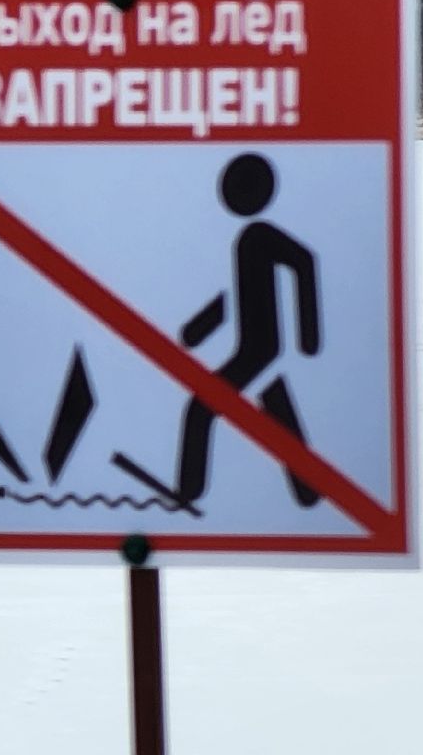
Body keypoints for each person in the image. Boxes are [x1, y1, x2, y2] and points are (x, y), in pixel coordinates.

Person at [113, 153, 321, 512]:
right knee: (278, 412)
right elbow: (238, 296)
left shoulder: (260, 236)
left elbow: (304, 263)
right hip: (256, 347)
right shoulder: (247, 239)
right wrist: (199, 330)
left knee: (201, 408)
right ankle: (308, 488)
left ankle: (188, 491)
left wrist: (308, 333)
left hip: (261, 349)